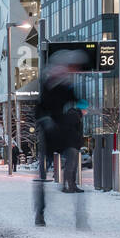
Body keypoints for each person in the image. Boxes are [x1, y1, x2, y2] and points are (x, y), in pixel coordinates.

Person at [33, 50, 89, 227]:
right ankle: (40, 212)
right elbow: (39, 110)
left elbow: (81, 102)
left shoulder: (67, 87)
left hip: (64, 131)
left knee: (72, 154)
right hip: (50, 133)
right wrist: (46, 121)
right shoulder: (46, 86)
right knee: (42, 173)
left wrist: (79, 111)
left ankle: (69, 182)